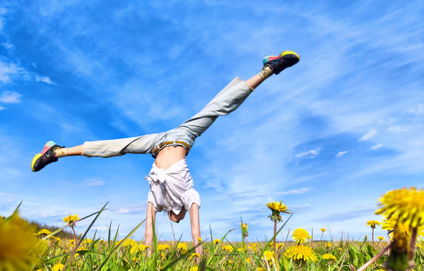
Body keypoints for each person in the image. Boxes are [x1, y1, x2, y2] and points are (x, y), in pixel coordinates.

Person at [31, 51, 300, 255]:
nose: (176, 219)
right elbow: (196, 234)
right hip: (184, 136)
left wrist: (148, 257)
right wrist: (199, 258)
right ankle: (269, 68)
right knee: (220, 106)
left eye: (174, 219)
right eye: (178, 218)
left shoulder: (157, 200)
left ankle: (56, 152)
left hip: (155, 143)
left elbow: (148, 229)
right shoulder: (191, 197)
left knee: (112, 147)